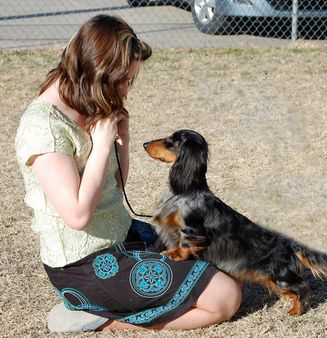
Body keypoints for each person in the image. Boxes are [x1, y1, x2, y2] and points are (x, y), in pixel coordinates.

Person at [15, 14, 241, 332]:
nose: (126, 90)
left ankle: (123, 305)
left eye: (130, 81)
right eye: (123, 81)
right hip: (84, 266)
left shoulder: (89, 97)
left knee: (219, 255)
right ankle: (103, 320)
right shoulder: (44, 127)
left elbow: (116, 184)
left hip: (121, 238)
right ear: (97, 72)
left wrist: (123, 136)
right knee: (226, 297)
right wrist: (103, 145)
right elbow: (77, 215)